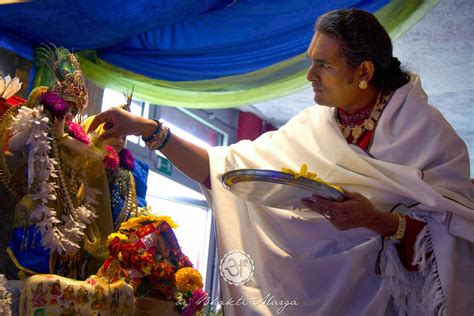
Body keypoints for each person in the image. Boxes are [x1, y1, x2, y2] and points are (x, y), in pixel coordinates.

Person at [88, 9, 474, 315]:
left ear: (364, 72)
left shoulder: (424, 133)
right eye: (311, 62)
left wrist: (376, 220)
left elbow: (456, 237)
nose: (310, 76)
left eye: (323, 65)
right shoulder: (312, 127)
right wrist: (149, 128)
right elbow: (223, 170)